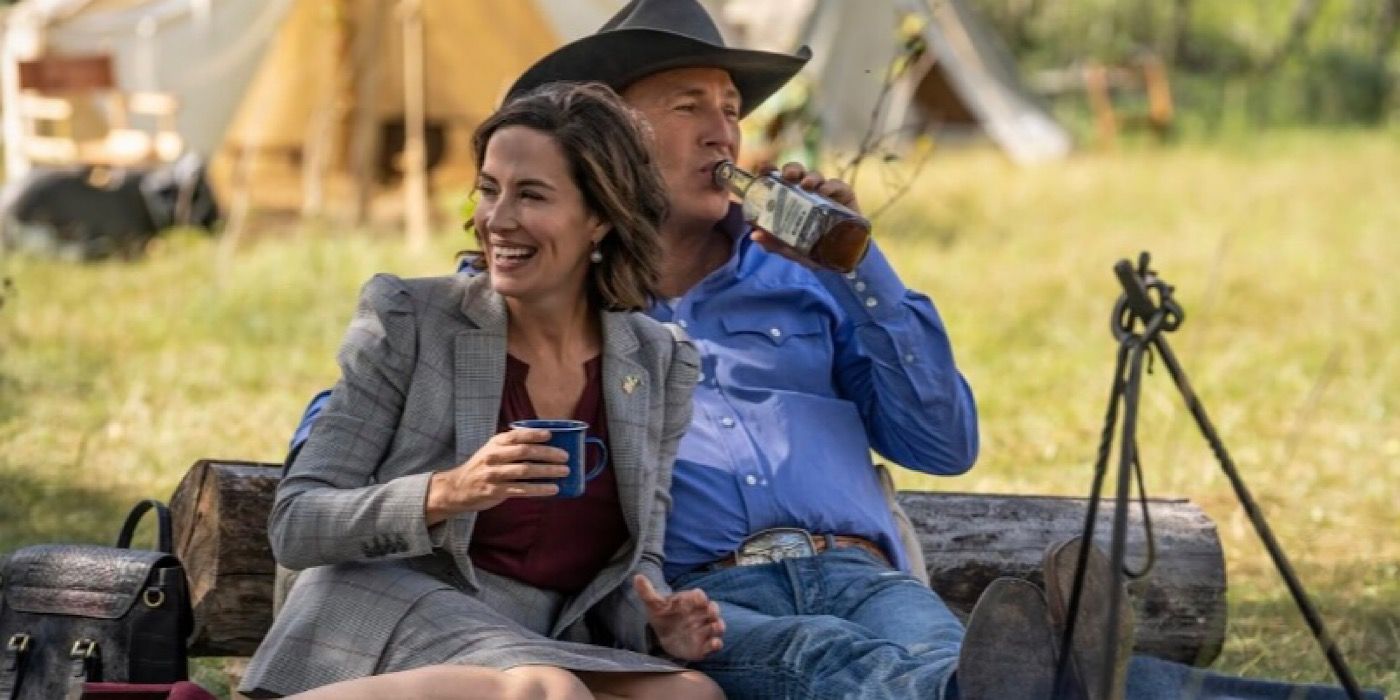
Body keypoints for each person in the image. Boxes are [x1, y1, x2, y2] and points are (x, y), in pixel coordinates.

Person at [287, 2, 1383, 698]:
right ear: (609, 137)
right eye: (690, 108)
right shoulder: (545, 307)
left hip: (863, 572)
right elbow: (352, 454)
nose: (726, 132)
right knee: (897, 671)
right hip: (714, 601)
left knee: (993, 670)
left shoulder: (802, 282)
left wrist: (862, 267)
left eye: (731, 109)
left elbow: (944, 441)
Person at [240, 82, 724, 700]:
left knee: (690, 695)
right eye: (490, 189)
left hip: (530, 637)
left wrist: (660, 622)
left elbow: (641, 557)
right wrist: (450, 491)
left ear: (600, 217)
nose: (498, 219)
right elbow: (297, 522)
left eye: (531, 195)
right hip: (389, 605)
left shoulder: (658, 360)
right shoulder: (411, 318)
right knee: (546, 691)